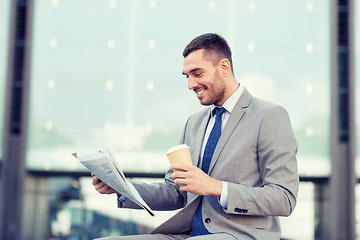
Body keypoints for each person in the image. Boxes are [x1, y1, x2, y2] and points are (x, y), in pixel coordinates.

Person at [92, 33, 299, 240]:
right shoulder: (194, 122)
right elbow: (176, 191)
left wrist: (216, 187)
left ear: (224, 67)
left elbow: (284, 197)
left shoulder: (269, 116)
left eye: (197, 73)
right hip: (189, 234)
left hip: (241, 235)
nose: (190, 84)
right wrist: (122, 188)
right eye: (187, 76)